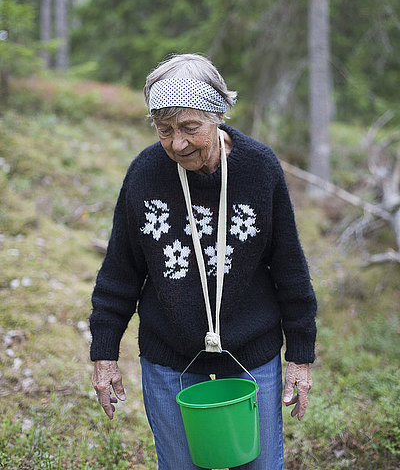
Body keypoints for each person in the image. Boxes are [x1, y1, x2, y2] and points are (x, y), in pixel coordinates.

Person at [89, 53, 317, 470]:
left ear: (217, 115)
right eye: (164, 130)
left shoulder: (259, 169)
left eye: (190, 128)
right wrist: (104, 353)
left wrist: (299, 355)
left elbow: (289, 267)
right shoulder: (144, 174)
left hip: (252, 353)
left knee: (261, 465)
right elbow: (119, 272)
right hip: (169, 355)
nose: (177, 143)